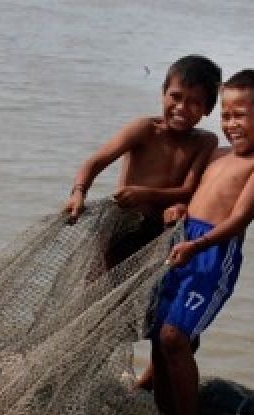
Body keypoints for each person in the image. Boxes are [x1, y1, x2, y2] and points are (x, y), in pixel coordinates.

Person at [149, 69, 254, 415]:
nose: (231, 125)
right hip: (183, 244)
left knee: (175, 337)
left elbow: (239, 219)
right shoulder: (218, 153)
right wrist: (180, 210)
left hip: (213, 254)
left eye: (241, 115)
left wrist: (199, 244)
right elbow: (195, 195)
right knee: (160, 339)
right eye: (226, 115)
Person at [63, 55, 222, 269]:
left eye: (194, 102)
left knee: (144, 295)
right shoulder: (145, 129)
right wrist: (79, 192)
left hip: (161, 233)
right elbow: (95, 162)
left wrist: (145, 194)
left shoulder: (205, 141)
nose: (181, 107)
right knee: (100, 285)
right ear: (163, 94)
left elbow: (187, 189)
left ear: (208, 108)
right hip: (122, 226)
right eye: (175, 97)